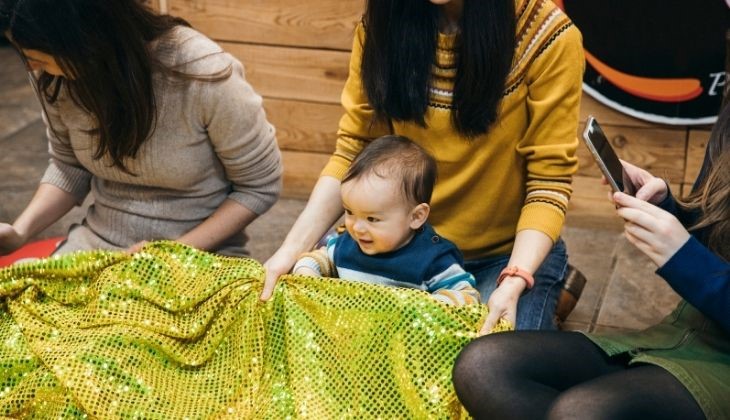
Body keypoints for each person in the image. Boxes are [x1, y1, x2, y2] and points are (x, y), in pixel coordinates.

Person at [262, 0, 584, 331]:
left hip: (504, 257)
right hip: (398, 245)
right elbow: (354, 149)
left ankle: (544, 286)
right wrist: (292, 250)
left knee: (484, 368)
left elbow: (549, 180)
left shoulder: (549, 35)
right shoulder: (387, 21)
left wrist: (516, 278)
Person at [450, 105, 730, 418]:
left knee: (581, 411)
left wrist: (685, 258)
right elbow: (715, 233)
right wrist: (665, 206)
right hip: (684, 331)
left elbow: (699, 263)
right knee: (482, 365)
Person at [0, 0, 282, 256]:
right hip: (98, 248)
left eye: (39, 56)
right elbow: (69, 166)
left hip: (198, 257)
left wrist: (173, 252)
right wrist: (21, 231)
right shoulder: (52, 75)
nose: (31, 67)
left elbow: (259, 187)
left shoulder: (203, 71)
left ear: (84, 36)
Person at [293, 135, 481, 306]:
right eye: (350, 212)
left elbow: (467, 297)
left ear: (416, 217)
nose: (357, 228)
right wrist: (307, 272)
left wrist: (429, 307)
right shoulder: (346, 245)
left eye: (372, 219)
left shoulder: (432, 259)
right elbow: (317, 259)